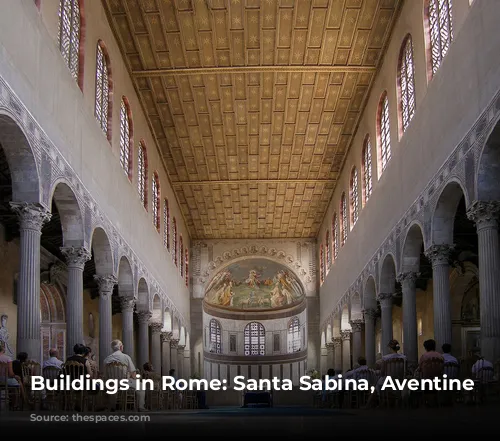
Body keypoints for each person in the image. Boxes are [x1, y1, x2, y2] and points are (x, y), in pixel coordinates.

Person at [103, 339, 146, 411]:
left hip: (111, 383)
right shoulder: (126, 357)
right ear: (120, 347)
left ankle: (111, 406)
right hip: (124, 383)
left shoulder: (106, 359)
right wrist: (135, 378)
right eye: (122, 346)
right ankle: (140, 406)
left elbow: (105, 374)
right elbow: (133, 373)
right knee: (141, 386)